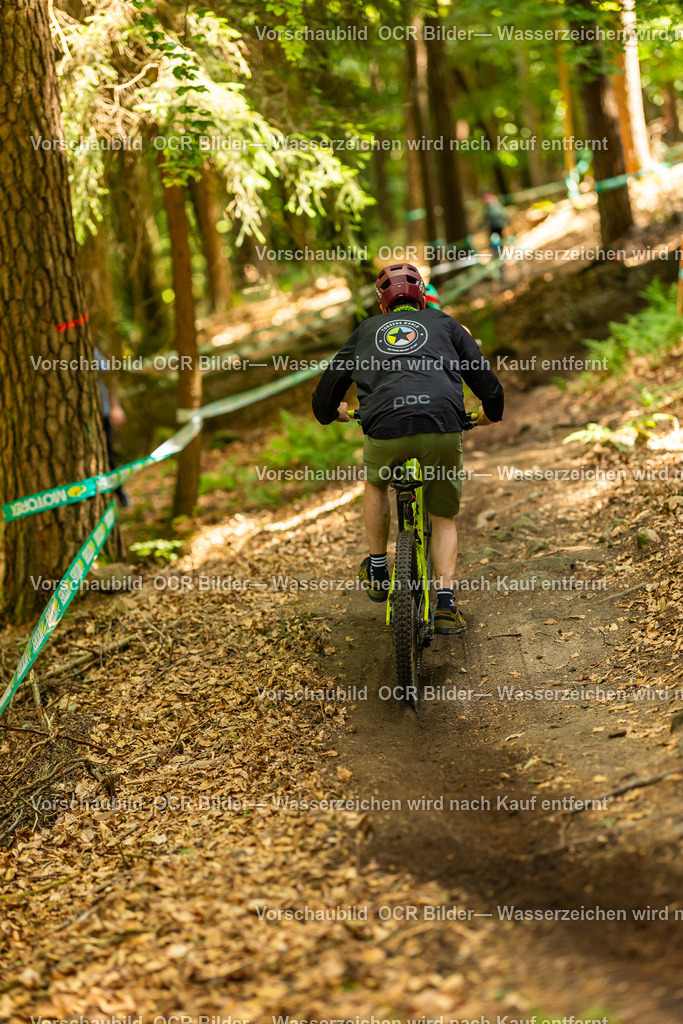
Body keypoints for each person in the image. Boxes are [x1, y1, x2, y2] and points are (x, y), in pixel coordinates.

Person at [312, 263, 504, 635]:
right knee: (442, 516)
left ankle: (378, 567)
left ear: (382, 303)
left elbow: (325, 393)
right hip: (442, 424)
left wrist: (331, 412)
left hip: (385, 427)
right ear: (421, 297)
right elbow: (488, 383)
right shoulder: (446, 323)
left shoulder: (366, 330)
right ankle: (445, 604)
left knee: (376, 484)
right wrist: (488, 413)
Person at [481, 192, 508, 258]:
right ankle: (498, 252)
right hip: (495, 226)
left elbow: (487, 216)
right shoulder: (495, 205)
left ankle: (499, 253)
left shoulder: (492, 206)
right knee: (497, 239)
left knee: (496, 239)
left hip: (496, 226)